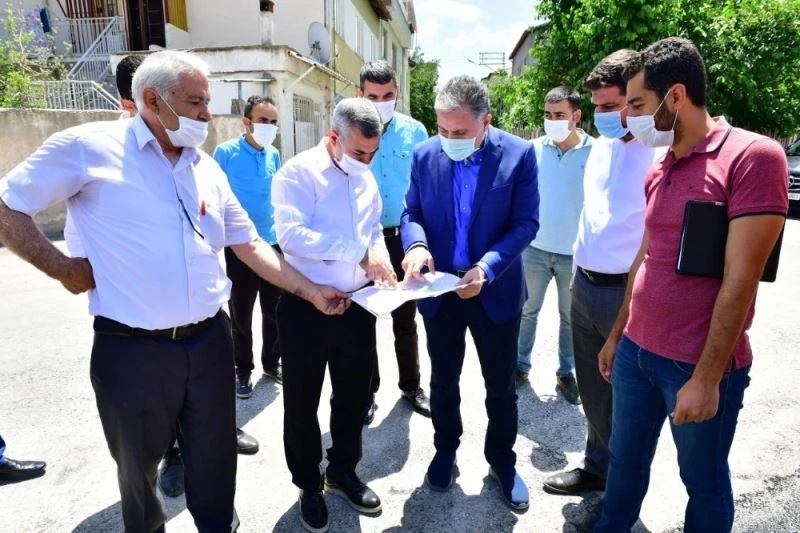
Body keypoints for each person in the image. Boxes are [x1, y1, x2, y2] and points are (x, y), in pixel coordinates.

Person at [0, 50, 349, 533]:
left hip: (209, 341)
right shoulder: (87, 147)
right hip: (131, 349)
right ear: (152, 100)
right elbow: (7, 204)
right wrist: (59, 266)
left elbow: (247, 242)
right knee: (138, 474)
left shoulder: (205, 167)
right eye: (196, 102)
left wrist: (309, 290)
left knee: (215, 459)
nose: (208, 114)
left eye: (208, 101)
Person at [594, 37, 788, 532]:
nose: (628, 117)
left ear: (674, 96)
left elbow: (742, 280)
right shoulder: (662, 164)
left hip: (698, 365)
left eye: (637, 105)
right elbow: (647, 257)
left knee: (701, 480)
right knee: (625, 461)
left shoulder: (753, 157)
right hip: (638, 353)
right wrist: (619, 334)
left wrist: (705, 378)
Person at [401, 75, 539, 510]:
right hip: (440, 290)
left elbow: (525, 224)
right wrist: (417, 245)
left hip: (493, 291)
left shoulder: (518, 156)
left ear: (486, 122)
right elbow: (412, 211)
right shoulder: (425, 154)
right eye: (442, 129)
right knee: (443, 381)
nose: (448, 140)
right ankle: (445, 450)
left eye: (458, 132)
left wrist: (486, 268)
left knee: (500, 386)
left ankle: (502, 460)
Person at [272, 98, 396, 533]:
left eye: (373, 153)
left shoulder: (365, 178)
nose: (367, 161)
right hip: (306, 306)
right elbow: (292, 235)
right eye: (359, 152)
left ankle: (342, 471)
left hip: (357, 306)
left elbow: (374, 229)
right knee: (302, 401)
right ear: (333, 138)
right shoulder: (297, 174)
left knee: (353, 396)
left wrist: (378, 258)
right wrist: (360, 255)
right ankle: (307, 483)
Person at [541, 49, 660, 497]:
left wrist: (631, 303)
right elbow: (592, 215)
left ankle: (619, 496)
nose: (603, 115)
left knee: (626, 403)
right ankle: (596, 468)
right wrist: (577, 267)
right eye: (597, 107)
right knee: (593, 392)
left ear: (635, 99)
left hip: (624, 296)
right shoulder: (603, 148)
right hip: (585, 285)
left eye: (612, 106)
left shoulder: (657, 154)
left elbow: (654, 239)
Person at [357, 60, 431, 423]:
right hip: (365, 241)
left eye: (387, 95)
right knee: (365, 318)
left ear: (397, 92)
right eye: (373, 96)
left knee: (406, 318)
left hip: (404, 237)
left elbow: (426, 186)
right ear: (360, 95)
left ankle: (411, 385)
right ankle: (367, 391)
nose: (381, 101)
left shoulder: (415, 132)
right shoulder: (349, 128)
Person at [516, 85, 592, 406]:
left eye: (559, 115)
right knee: (526, 311)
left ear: (576, 116)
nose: (552, 121)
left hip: (574, 254)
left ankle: (566, 373)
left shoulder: (596, 152)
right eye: (547, 115)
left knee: (569, 317)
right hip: (534, 248)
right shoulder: (532, 149)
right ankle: (518, 367)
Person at [213, 95, 284, 398]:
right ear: (246, 122)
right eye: (262, 120)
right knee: (241, 312)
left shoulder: (273, 155)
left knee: (275, 310)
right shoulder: (225, 153)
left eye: (272, 122)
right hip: (239, 246)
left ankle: (272, 362)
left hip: (271, 243)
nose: (268, 127)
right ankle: (242, 369)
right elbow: (213, 195)